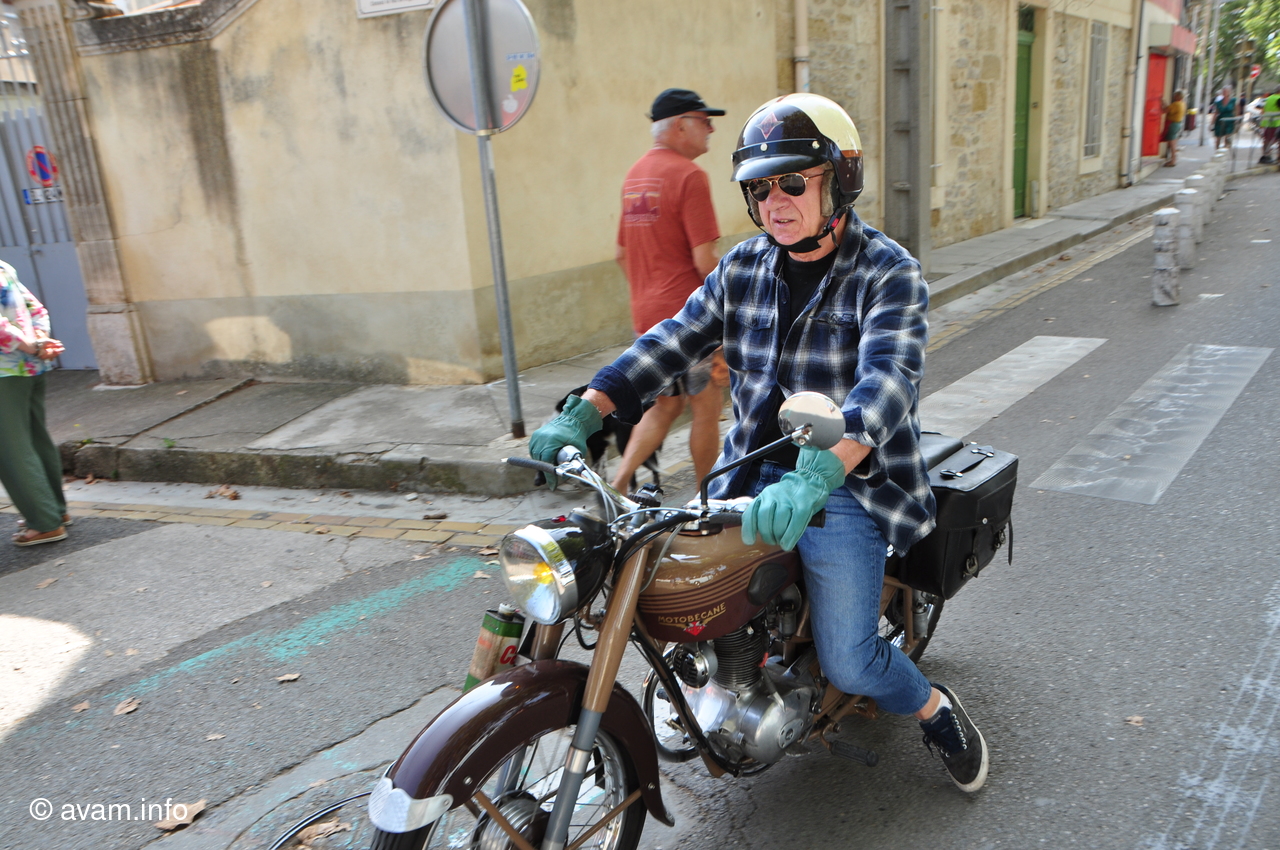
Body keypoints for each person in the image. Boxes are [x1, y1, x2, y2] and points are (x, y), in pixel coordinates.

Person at [531, 93, 989, 792]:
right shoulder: (743, 268)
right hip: (746, 472)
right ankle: (736, 677)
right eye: (760, 187)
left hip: (848, 482)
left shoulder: (888, 271)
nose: (774, 202)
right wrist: (587, 410)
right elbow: (671, 340)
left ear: (839, 179)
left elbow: (888, 383)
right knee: (679, 588)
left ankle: (932, 708)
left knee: (852, 660)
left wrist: (817, 475)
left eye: (792, 183)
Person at [611, 88, 727, 493]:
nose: (711, 129)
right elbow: (704, 261)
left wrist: (651, 293)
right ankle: (708, 500)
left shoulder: (634, 176)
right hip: (690, 319)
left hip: (647, 318)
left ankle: (618, 485)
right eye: (704, 121)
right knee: (706, 409)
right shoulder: (690, 176)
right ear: (680, 126)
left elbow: (621, 254)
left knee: (664, 406)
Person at [0, 261, 70, 546]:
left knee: (11, 449)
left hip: (5, 371)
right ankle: (56, 511)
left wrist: (32, 345)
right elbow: (35, 308)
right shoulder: (3, 266)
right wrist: (40, 341)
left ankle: (44, 523)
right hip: (29, 366)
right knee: (36, 439)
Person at [1211, 86, 1239, 150]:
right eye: (1223, 91)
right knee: (1218, 137)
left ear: (1229, 92)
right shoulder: (1218, 102)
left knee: (1227, 137)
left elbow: (1236, 110)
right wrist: (1211, 123)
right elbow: (1216, 113)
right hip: (1220, 121)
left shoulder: (1233, 101)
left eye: (1226, 91)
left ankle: (1226, 149)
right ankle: (1217, 150)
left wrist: (1236, 119)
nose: (1225, 93)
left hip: (1229, 121)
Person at [1163, 90, 1185, 166]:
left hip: (1172, 124)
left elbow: (1165, 110)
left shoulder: (1176, 104)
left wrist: (1161, 103)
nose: (1173, 96)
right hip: (1178, 124)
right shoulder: (1182, 103)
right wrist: (1164, 103)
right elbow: (1169, 109)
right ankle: (1173, 159)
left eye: (1175, 95)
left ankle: (1173, 160)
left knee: (1171, 143)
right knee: (1174, 142)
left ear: (1177, 96)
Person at [1260, 87, 1280, 165]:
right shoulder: (1278, 98)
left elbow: (1262, 111)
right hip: (1277, 123)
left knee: (1267, 140)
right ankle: (1277, 157)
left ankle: (1265, 156)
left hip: (1267, 123)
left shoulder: (1268, 98)